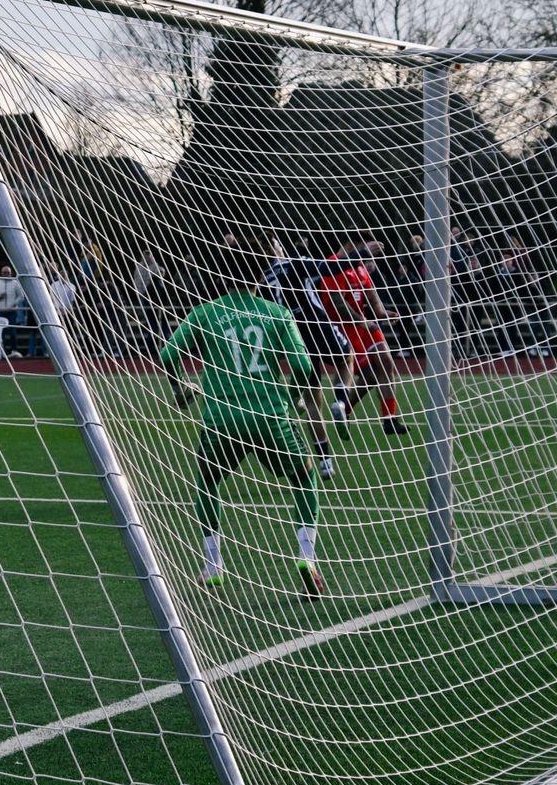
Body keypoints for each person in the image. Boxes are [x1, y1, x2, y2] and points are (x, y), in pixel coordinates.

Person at [159, 235, 325, 597]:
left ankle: (213, 566)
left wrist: (181, 389)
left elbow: (167, 355)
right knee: (304, 476)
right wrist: (293, 397)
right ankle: (307, 557)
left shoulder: (205, 313)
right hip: (271, 417)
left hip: (222, 419)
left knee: (207, 482)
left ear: (221, 271)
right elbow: (303, 366)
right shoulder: (277, 313)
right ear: (262, 273)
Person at [263, 241, 351, 478]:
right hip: (317, 323)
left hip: (293, 336)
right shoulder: (295, 264)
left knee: (312, 401)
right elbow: (329, 268)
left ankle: (325, 462)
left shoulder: (263, 278)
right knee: (346, 357)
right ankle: (341, 401)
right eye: (277, 244)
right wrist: (361, 254)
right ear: (275, 249)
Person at [319, 239, 408, 436]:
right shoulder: (333, 265)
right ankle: (344, 410)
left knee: (386, 361)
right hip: (344, 327)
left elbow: (371, 294)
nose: (366, 254)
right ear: (352, 245)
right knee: (369, 374)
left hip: (362, 323)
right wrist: (361, 321)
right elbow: (337, 303)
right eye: (364, 249)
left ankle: (390, 420)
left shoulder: (358, 266)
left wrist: (382, 311)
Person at [0, 265, 25, 356]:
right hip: (0, 310)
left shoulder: (15, 283)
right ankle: (2, 351)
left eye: (7, 272)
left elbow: (21, 296)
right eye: (4, 272)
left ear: (11, 273)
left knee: (12, 331)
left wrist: (13, 303)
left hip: (11, 311)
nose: (6, 274)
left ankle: (14, 350)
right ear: (1, 273)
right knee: (1, 332)